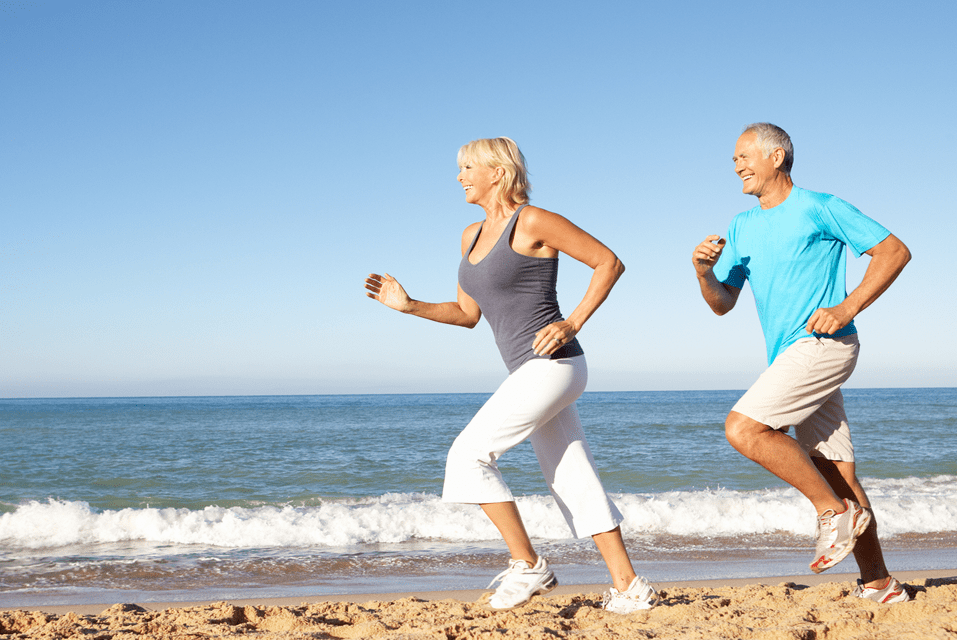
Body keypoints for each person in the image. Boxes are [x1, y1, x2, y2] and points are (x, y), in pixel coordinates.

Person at [364, 137, 655, 613]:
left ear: (497, 173)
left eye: (467, 167)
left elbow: (609, 262)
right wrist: (410, 305)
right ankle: (628, 586)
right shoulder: (470, 236)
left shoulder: (534, 221)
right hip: (531, 370)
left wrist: (571, 322)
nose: (459, 176)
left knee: (467, 457)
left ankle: (528, 565)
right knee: (573, 478)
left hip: (555, 364)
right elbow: (466, 313)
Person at [692, 123, 912, 604]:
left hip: (825, 344)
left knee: (744, 429)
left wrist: (847, 307)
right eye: (734, 160)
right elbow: (722, 302)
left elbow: (894, 251)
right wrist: (704, 272)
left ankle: (832, 513)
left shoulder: (820, 206)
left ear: (776, 157)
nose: (737, 166)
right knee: (839, 473)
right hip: (790, 357)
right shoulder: (741, 225)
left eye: (744, 156)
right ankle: (880, 583)